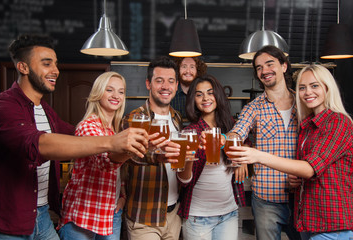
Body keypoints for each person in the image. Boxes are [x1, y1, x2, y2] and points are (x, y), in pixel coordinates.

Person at [0, 34, 149, 239]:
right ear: (23, 67)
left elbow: (77, 138)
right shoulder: (3, 106)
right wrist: (112, 142)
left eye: (56, 64)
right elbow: (38, 144)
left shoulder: (45, 111)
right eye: (47, 64)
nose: (56, 71)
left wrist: (148, 151)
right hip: (9, 222)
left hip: (42, 215)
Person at [229, 64, 353, 240]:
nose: (308, 92)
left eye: (314, 85)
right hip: (309, 219)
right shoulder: (308, 125)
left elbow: (310, 168)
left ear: (327, 87)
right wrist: (298, 178)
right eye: (302, 88)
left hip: (332, 223)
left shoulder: (338, 122)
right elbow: (317, 169)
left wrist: (257, 155)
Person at [228, 45, 301, 240]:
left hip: (303, 196)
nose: (264, 71)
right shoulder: (254, 108)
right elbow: (237, 132)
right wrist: (237, 146)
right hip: (267, 198)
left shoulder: (303, 103)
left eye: (270, 64)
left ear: (284, 66)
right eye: (259, 67)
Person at [58, 72, 130, 239]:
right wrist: (131, 151)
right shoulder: (88, 126)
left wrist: (122, 197)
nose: (116, 96)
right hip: (85, 213)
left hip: (111, 212)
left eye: (120, 91)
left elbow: (118, 173)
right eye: (109, 90)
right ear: (98, 93)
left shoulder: (114, 129)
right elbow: (104, 163)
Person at [176, 75, 247, 240]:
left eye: (210, 92)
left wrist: (242, 158)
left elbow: (246, 144)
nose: (205, 98)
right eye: (199, 94)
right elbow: (183, 181)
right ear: (193, 100)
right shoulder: (190, 133)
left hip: (229, 212)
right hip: (198, 216)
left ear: (218, 95)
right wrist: (187, 159)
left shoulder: (232, 125)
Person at [122, 56, 183, 240]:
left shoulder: (176, 117)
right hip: (144, 216)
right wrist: (154, 156)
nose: (166, 86)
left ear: (177, 85)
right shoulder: (134, 118)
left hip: (173, 214)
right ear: (148, 84)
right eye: (159, 81)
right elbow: (127, 156)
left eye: (171, 81)